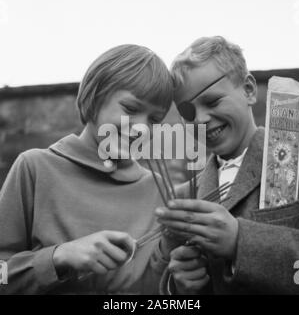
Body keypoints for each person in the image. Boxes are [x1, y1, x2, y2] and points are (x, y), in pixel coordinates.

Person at [0, 44, 175, 294]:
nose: (141, 129)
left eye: (154, 120)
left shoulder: (158, 189)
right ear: (96, 96)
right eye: (131, 109)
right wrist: (58, 257)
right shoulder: (34, 168)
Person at [156, 36, 299, 294]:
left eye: (212, 101)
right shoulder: (184, 197)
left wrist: (241, 241)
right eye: (188, 112)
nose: (201, 119)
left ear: (248, 89)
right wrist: (178, 286)